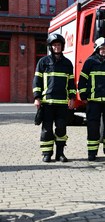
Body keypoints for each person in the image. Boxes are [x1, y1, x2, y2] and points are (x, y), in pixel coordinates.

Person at [32, 34, 76, 162]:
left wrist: (72, 97)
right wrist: (37, 97)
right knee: (47, 129)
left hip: (62, 103)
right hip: (47, 103)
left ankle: (60, 154)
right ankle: (47, 153)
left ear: (62, 46)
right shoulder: (43, 62)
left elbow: (71, 83)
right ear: (51, 47)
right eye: (54, 45)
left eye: (59, 45)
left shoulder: (67, 63)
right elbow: (37, 81)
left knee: (61, 128)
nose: (57, 47)